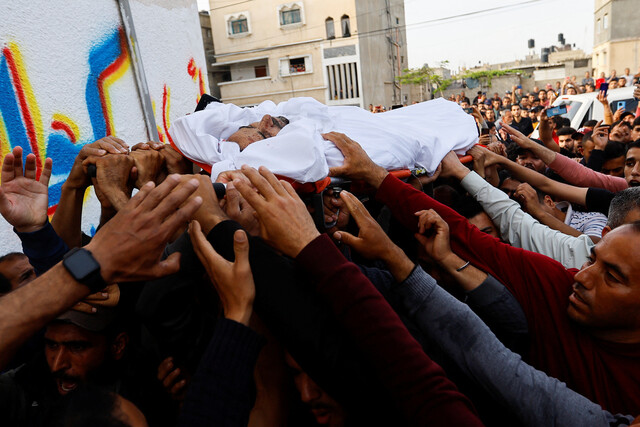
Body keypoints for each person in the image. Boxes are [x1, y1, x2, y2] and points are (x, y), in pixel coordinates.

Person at [326, 132, 640, 415]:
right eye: (591, 261)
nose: (582, 278)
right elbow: (466, 235)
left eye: (612, 276)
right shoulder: (558, 283)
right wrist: (377, 177)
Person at [169, 97, 478, 182]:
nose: (255, 147)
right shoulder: (257, 152)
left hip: (366, 122)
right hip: (378, 135)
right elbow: (305, 150)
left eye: (250, 138)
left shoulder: (283, 115)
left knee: (437, 115)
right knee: (428, 129)